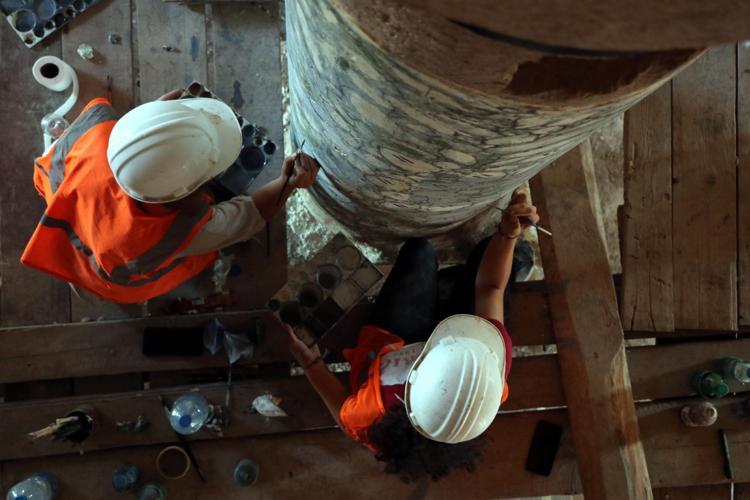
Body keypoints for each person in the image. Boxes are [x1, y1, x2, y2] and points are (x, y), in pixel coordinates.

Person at [286, 190, 538, 481]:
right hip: (460, 331)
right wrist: (507, 235)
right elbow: (490, 288)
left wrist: (311, 363)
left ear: (412, 375)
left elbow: (344, 415)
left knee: (419, 253)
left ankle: (445, 285)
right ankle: (489, 269)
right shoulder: (486, 366)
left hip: (391, 340)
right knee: (492, 252)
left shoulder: (374, 408)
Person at [21, 89, 319, 303]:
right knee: (190, 259)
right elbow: (248, 215)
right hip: (108, 272)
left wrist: (162, 119)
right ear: (184, 195)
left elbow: (141, 134)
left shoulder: (99, 129)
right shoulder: (166, 234)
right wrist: (287, 183)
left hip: (62, 211)